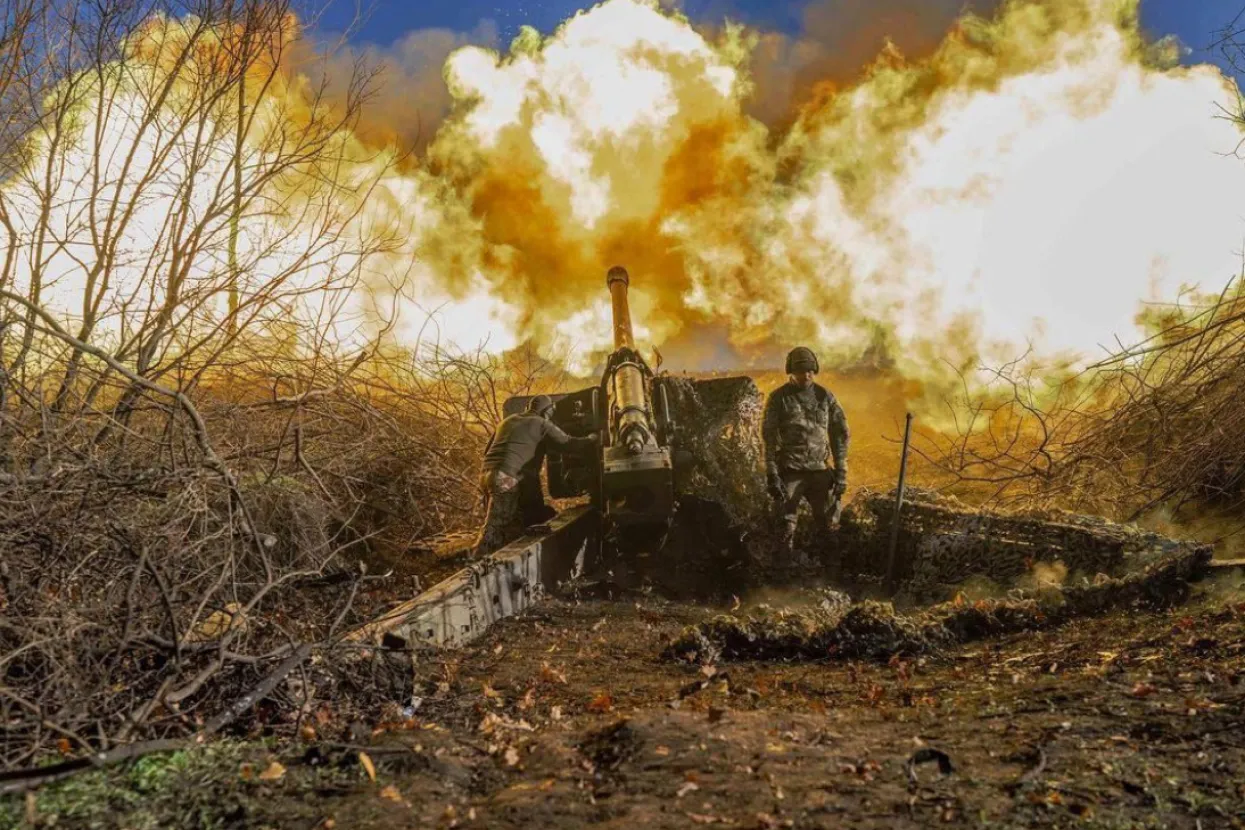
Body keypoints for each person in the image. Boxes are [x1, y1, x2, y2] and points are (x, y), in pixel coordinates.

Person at [473, 395, 596, 557]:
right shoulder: (541, 423)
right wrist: (591, 439)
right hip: (505, 478)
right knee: (496, 526)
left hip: (486, 474)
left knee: (512, 523)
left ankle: (489, 557)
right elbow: (568, 443)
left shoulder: (508, 421)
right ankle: (475, 561)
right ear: (546, 411)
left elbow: (487, 450)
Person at [762, 347, 850, 558]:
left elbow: (839, 434)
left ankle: (828, 569)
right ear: (791, 371)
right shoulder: (779, 398)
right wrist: (772, 473)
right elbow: (769, 437)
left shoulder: (825, 396)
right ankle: (784, 570)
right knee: (785, 527)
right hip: (791, 472)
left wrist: (841, 471)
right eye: (801, 371)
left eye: (810, 371)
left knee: (829, 525)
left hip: (820, 471)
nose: (806, 375)